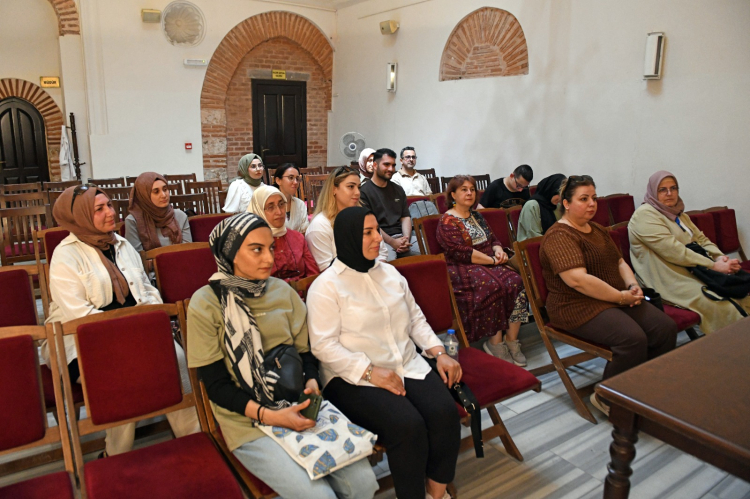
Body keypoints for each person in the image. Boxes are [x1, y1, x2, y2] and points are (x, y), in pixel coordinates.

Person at [187, 213, 378, 499]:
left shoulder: (282, 291)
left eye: (271, 248)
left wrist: (311, 382)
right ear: (230, 252)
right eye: (256, 249)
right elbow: (216, 386)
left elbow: (305, 351)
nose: (269, 258)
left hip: (297, 402)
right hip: (248, 420)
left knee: (363, 484)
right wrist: (270, 415)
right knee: (319, 497)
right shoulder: (206, 303)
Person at [307, 206, 461, 499]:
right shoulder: (326, 286)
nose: (378, 238)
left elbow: (415, 318)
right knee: (408, 426)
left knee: (444, 413)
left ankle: (436, 493)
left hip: (406, 363)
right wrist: (369, 372)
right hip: (352, 378)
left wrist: (439, 351)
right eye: (368, 233)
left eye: (377, 230)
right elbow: (324, 345)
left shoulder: (390, 273)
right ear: (348, 237)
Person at [42, 185, 199, 456]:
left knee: (176, 358)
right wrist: (129, 332)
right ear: (79, 216)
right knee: (120, 374)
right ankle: (116, 453)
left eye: (109, 205)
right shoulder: (65, 254)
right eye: (99, 209)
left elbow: (146, 290)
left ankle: (193, 439)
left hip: (137, 329)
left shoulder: (122, 244)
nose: (110, 212)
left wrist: (150, 319)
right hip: (83, 339)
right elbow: (78, 313)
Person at [540, 175, 677, 415]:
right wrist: (621, 297)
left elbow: (619, 262)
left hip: (611, 298)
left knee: (665, 328)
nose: (592, 204)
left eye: (594, 198)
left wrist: (632, 285)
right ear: (566, 203)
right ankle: (607, 397)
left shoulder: (597, 229)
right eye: (584, 199)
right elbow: (578, 281)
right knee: (632, 338)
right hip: (575, 305)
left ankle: (642, 385)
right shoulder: (558, 236)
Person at [629, 171, 750, 334]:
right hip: (668, 278)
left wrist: (720, 257)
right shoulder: (644, 215)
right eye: (662, 189)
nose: (669, 193)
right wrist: (714, 266)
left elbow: (701, 239)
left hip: (694, 270)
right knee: (721, 305)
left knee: (742, 295)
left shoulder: (678, 214)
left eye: (673, 188)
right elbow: (674, 251)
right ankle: (731, 345)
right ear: (652, 192)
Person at [436, 176, 529, 366]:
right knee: (494, 286)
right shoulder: (447, 221)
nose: (469, 193)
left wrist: (498, 250)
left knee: (516, 281)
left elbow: (493, 239)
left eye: (472, 189)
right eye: (464, 189)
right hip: (463, 267)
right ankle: (495, 343)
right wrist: (492, 260)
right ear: (453, 195)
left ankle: (511, 340)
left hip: (489, 261)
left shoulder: (477, 215)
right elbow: (462, 252)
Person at [305, 166, 387, 271]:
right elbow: (327, 269)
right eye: (351, 186)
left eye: (359, 187)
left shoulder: (365, 217)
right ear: (334, 189)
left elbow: (381, 252)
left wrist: (376, 273)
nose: (358, 192)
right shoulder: (319, 226)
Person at [247, 185, 319, 282]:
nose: (279, 212)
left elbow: (313, 275)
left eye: (281, 204)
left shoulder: (297, 238)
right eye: (270, 207)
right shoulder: (252, 244)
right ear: (258, 210)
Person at [360, 148, 420, 260]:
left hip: (403, 237)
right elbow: (371, 225)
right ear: (375, 165)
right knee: (387, 263)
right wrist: (392, 242)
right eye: (386, 164)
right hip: (380, 239)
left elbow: (405, 217)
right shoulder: (364, 192)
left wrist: (406, 239)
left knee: (428, 249)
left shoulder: (398, 189)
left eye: (393, 165)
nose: (391, 169)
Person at [124, 172, 192, 252]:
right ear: (144, 196)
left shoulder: (180, 216)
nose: (163, 195)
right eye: (156, 192)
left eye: (165, 189)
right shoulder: (133, 221)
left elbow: (188, 252)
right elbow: (136, 256)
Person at [516, 173, 566, 242]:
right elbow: (533, 236)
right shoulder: (531, 206)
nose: (560, 199)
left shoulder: (557, 206)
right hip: (533, 246)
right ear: (551, 190)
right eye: (559, 194)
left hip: (553, 243)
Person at [272, 163, 309, 233]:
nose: (295, 182)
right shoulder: (270, 205)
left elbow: (304, 231)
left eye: (297, 179)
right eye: (291, 178)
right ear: (278, 180)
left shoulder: (300, 204)